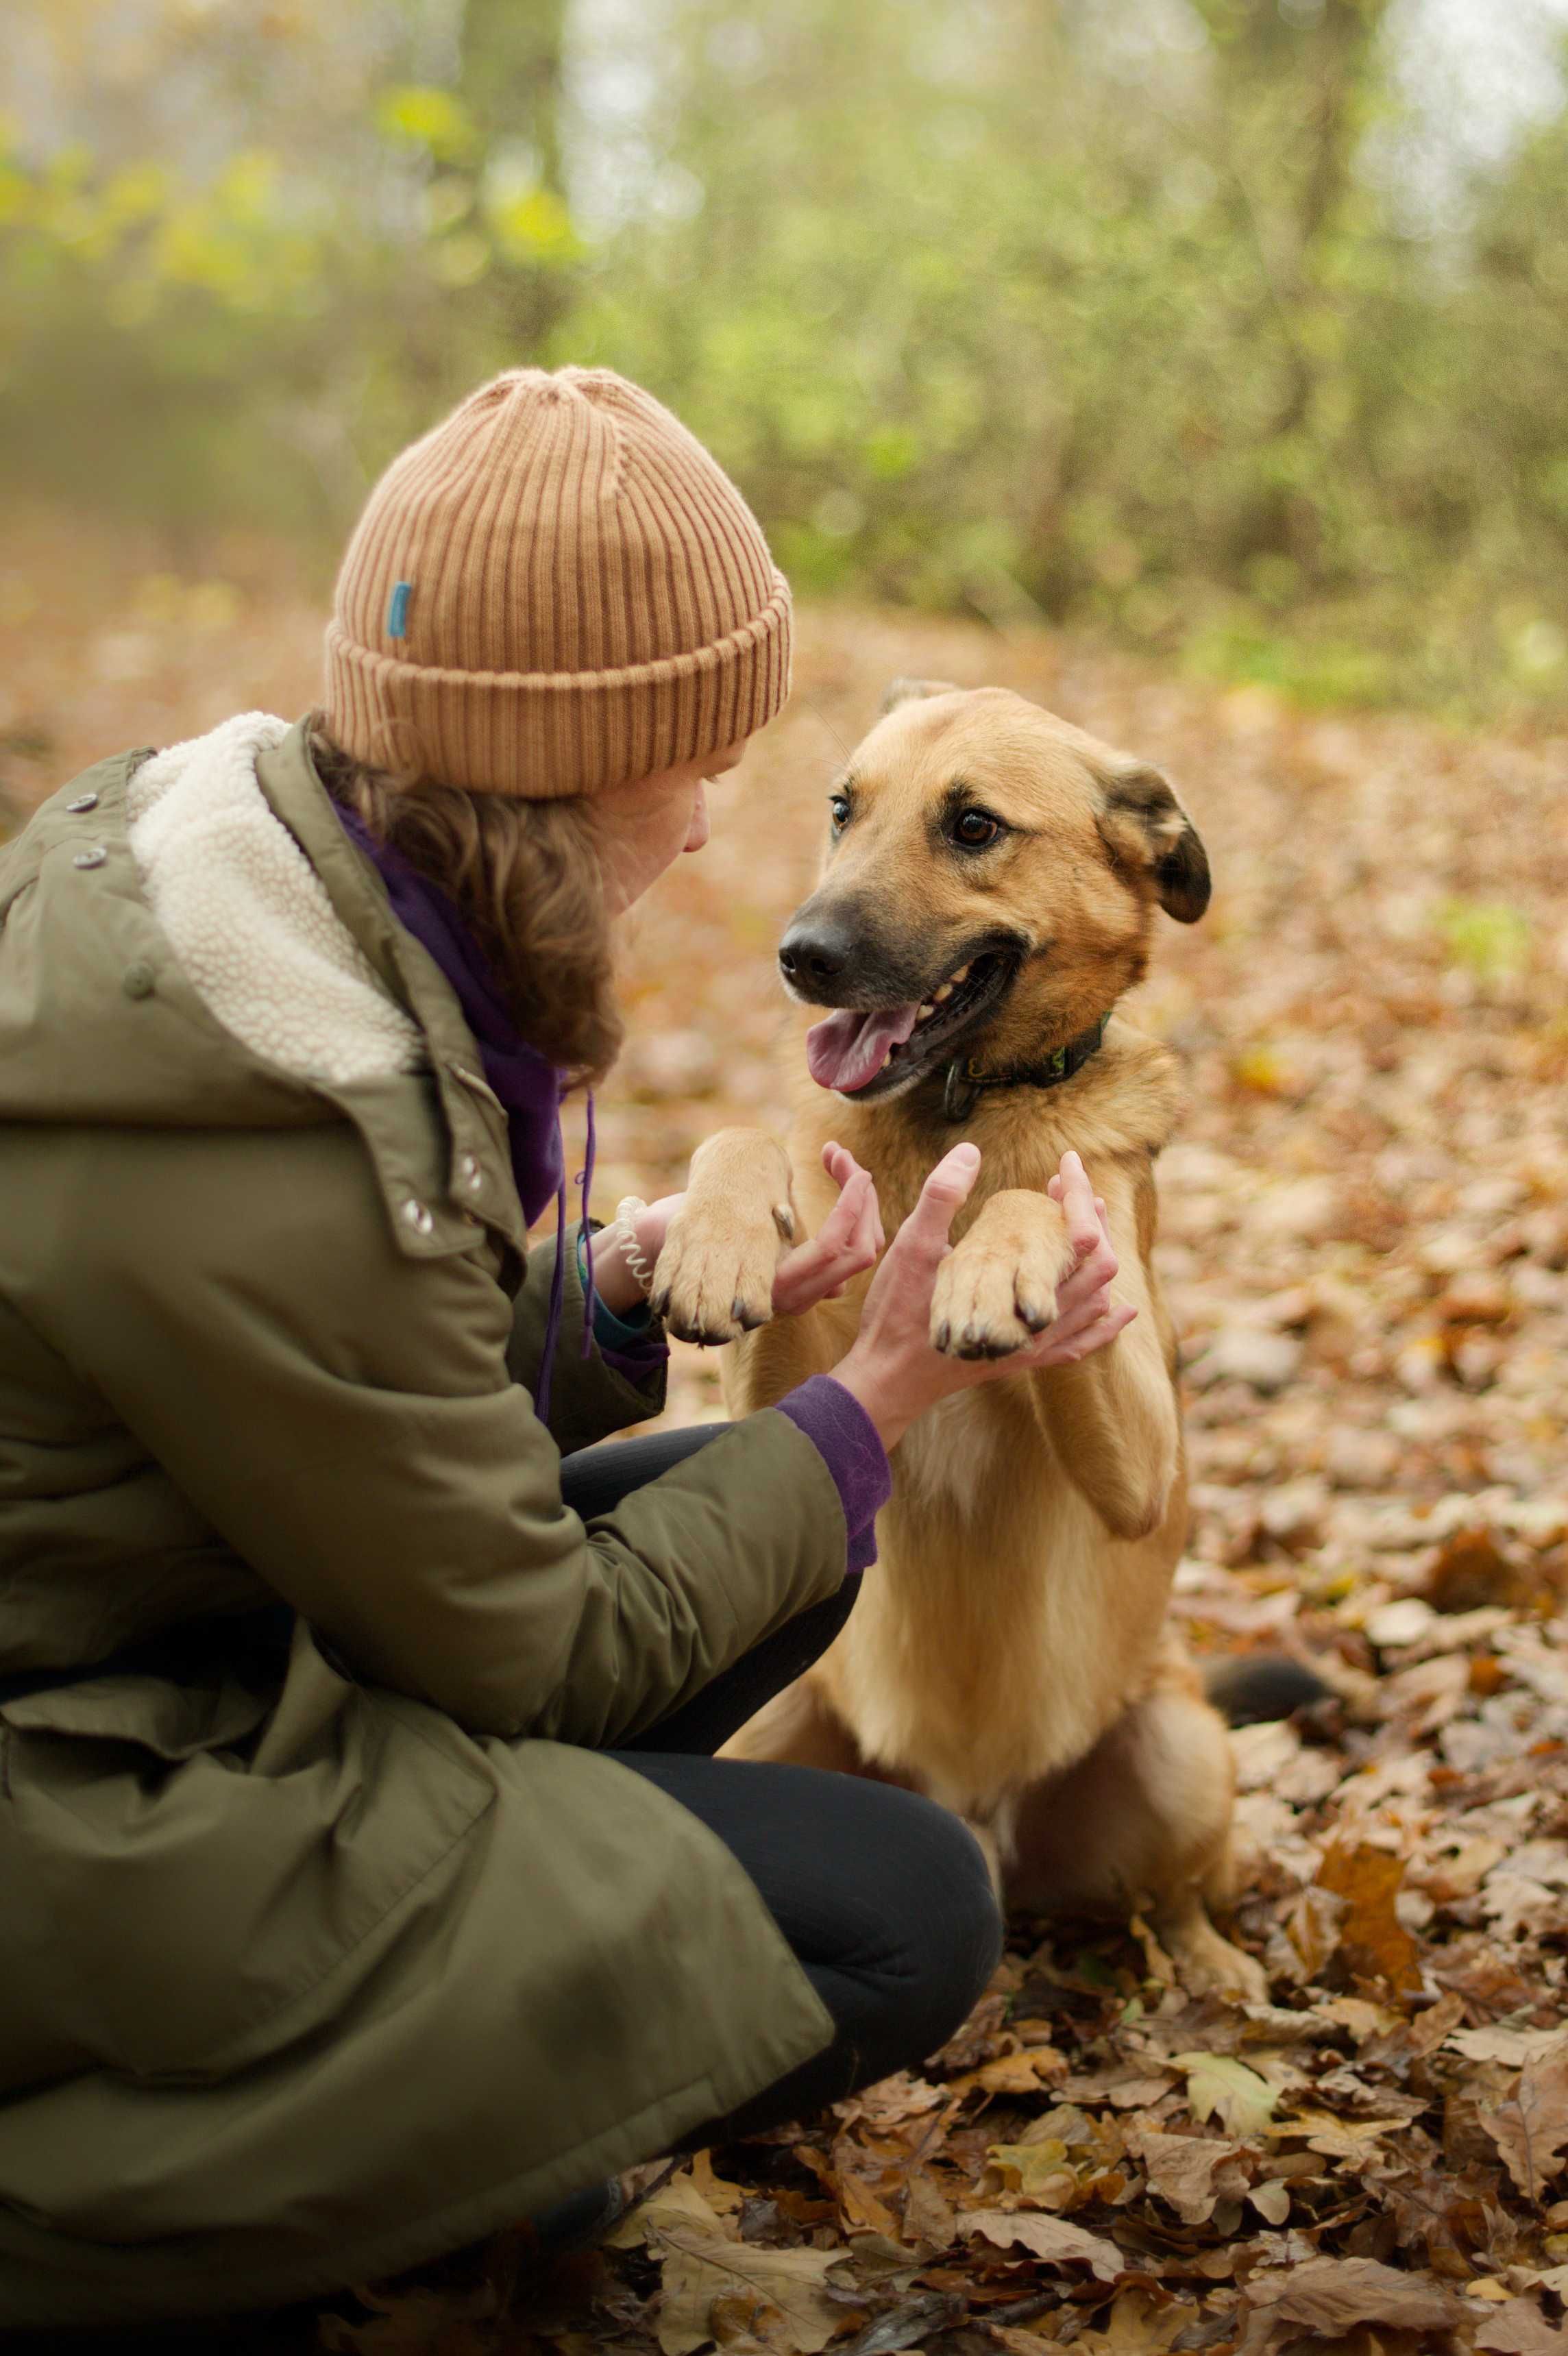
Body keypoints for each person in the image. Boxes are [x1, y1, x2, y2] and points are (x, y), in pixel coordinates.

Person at [0, 368, 1129, 2329]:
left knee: (715, 1490)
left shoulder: (238, 909)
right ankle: (184, 2203)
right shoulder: (268, 1110)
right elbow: (532, 1644)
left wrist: (603, 1294)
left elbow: (329, 1397)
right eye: (699, 762)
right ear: (566, 759)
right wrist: (875, 1406)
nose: (715, 840)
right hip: (88, 1829)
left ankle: (452, 2052)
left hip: (156, 1669)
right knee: (906, 1912)